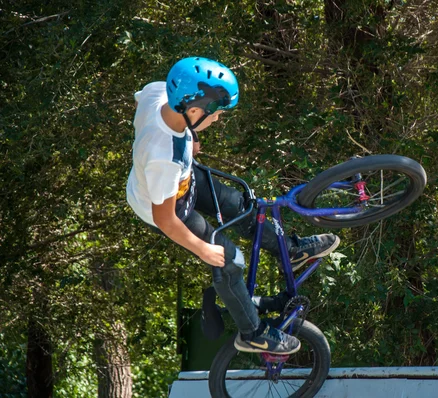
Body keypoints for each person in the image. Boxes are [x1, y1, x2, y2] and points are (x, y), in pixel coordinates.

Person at [126, 57, 340, 355]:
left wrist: (189, 136)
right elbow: (166, 219)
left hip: (180, 180)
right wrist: (203, 249)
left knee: (240, 204)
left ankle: (290, 252)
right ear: (194, 110)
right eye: (216, 113)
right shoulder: (164, 158)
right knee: (228, 260)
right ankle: (253, 333)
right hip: (167, 207)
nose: (218, 119)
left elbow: (144, 104)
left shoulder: (160, 95)